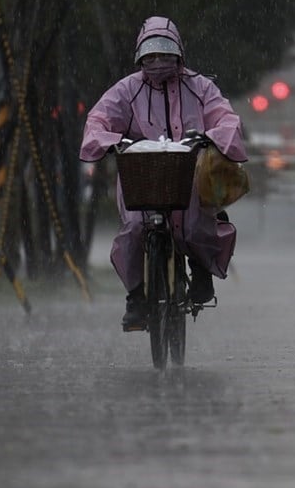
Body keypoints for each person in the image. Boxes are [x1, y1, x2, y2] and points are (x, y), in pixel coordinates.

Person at [79, 16, 247, 330]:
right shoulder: (127, 90)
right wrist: (110, 140)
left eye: (165, 53)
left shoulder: (199, 87)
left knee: (197, 225)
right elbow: (99, 119)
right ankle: (136, 297)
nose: (158, 61)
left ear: (179, 53)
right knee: (132, 230)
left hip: (188, 174)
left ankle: (200, 271)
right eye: (150, 55)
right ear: (139, 57)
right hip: (139, 176)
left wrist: (214, 136)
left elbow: (224, 116)